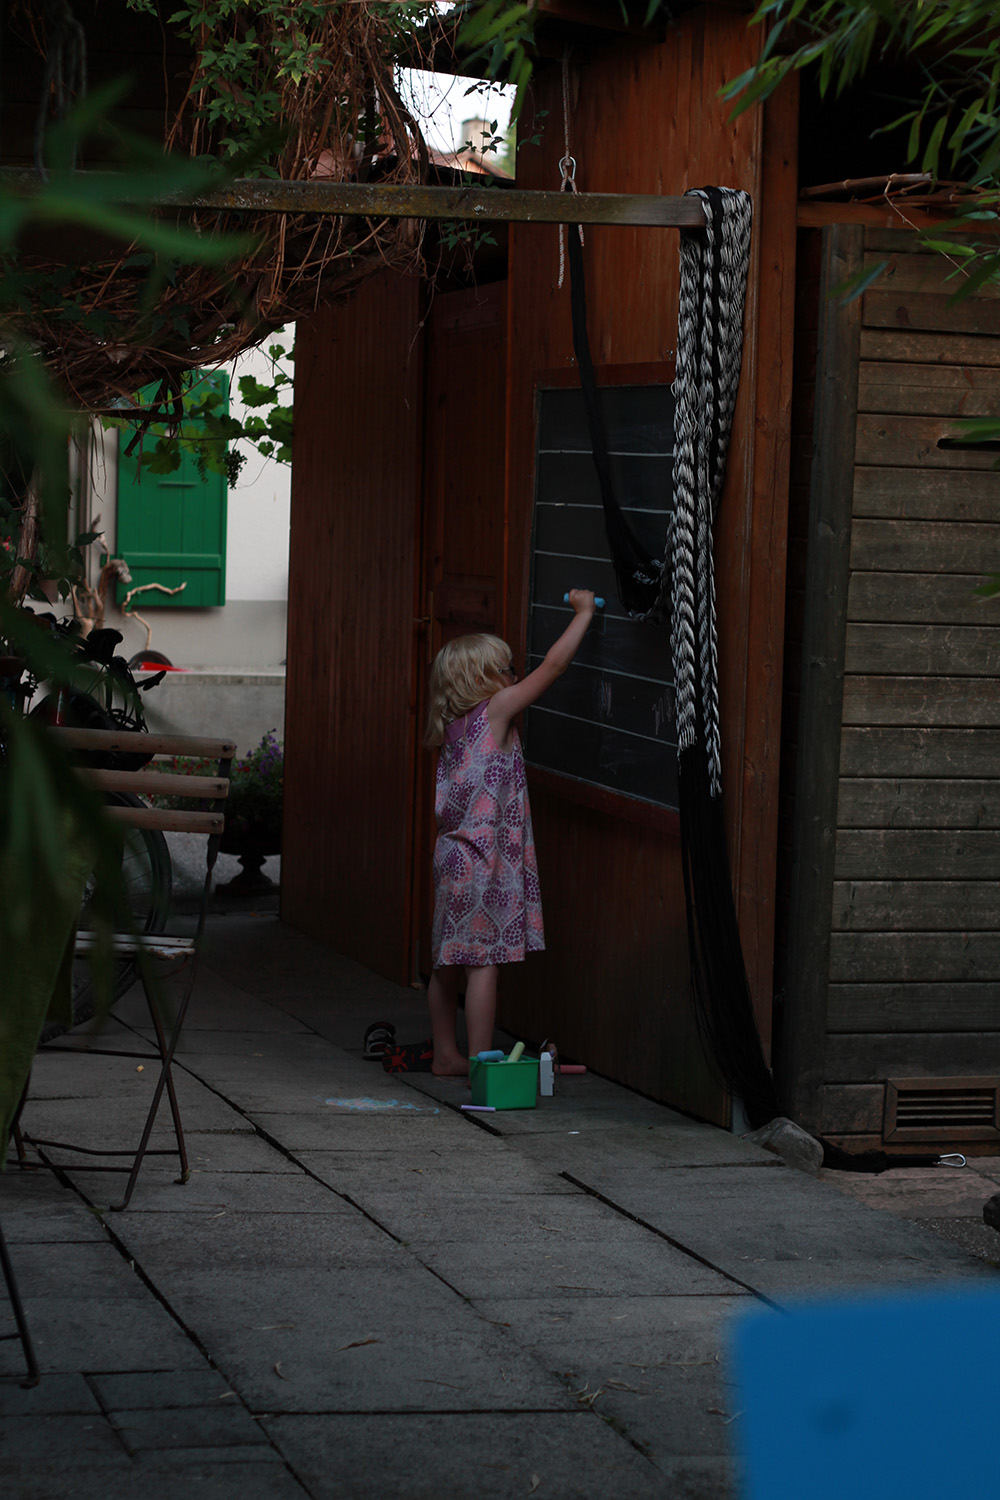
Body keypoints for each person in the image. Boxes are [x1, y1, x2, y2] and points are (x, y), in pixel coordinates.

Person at [423, 590, 597, 1076]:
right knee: (483, 965)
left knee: (446, 964)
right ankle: (483, 1066)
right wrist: (583, 613)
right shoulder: (495, 712)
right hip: (480, 862)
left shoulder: (451, 728)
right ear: (482, 681)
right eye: (507, 670)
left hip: (451, 858)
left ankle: (445, 1054)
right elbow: (553, 668)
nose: (515, 678)